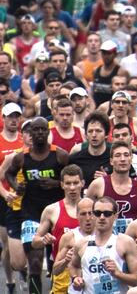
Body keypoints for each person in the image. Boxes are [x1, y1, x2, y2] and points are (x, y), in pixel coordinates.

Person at [4, 116, 69, 294]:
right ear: (30, 134)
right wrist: (17, 186)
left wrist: (56, 183)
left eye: (43, 129)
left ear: (48, 132)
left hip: (56, 213)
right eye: (36, 130)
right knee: (34, 260)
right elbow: (9, 174)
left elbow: (74, 179)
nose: (40, 133)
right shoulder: (21, 158)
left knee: (58, 260)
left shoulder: (60, 155)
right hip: (30, 213)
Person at [69, 196, 137, 293]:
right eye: (97, 213)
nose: (102, 217)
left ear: (116, 216)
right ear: (93, 215)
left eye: (107, 214)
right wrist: (75, 278)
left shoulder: (125, 242)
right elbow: (74, 266)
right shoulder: (81, 244)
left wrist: (118, 273)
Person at [30, 165, 84, 294]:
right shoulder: (52, 210)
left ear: (82, 183)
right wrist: (44, 239)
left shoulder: (91, 209)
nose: (72, 187)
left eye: (75, 183)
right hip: (62, 269)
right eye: (68, 183)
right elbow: (34, 242)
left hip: (85, 267)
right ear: (62, 185)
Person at [86, 141, 137, 234]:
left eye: (126, 155)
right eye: (118, 155)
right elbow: (87, 216)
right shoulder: (97, 185)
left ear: (131, 159)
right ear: (111, 161)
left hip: (131, 241)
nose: (122, 159)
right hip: (105, 241)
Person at [51, 198, 96, 294]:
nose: (88, 218)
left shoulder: (106, 235)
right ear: (77, 216)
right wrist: (66, 260)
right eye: (83, 214)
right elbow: (55, 270)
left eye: (91, 213)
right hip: (78, 290)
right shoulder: (69, 237)